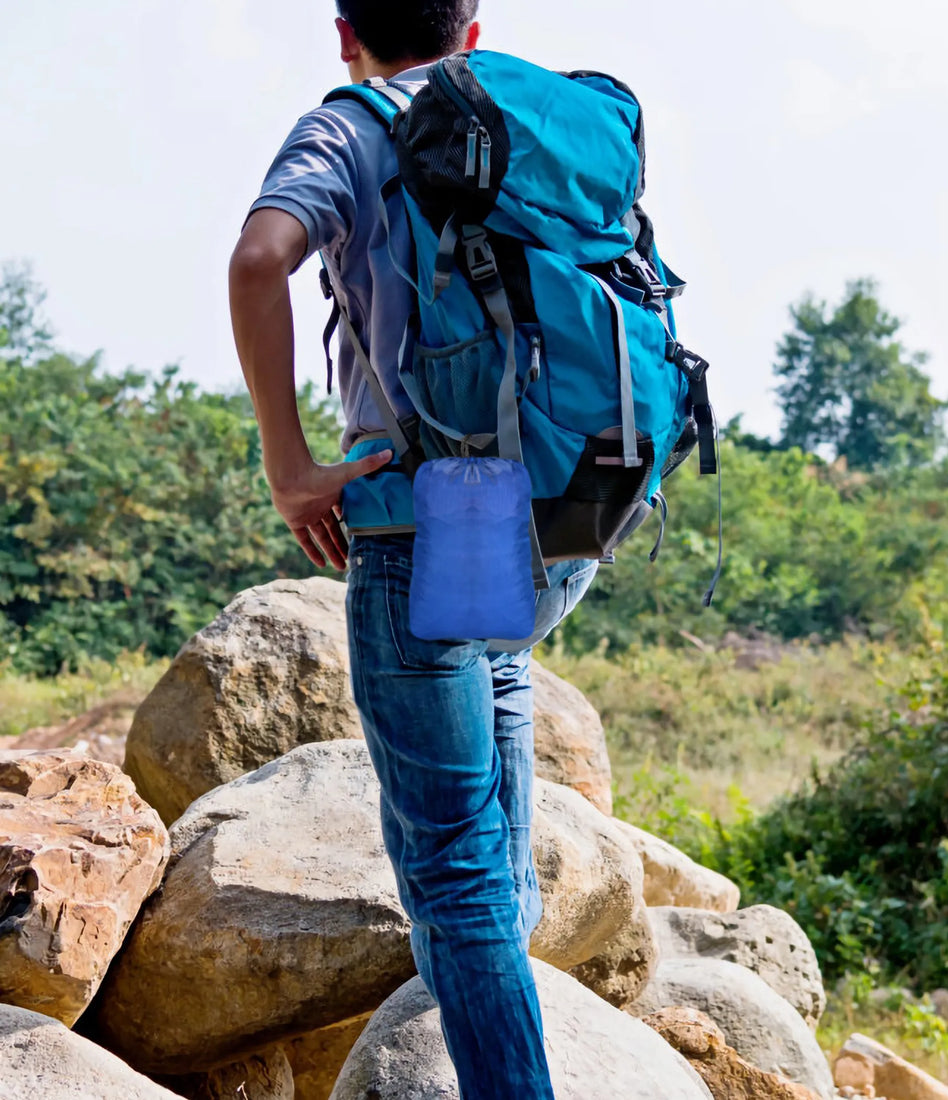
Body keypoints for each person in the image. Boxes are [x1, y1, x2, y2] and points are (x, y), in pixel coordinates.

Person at [227, 3, 597, 1097]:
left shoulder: (351, 124)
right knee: (492, 759)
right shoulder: (527, 115)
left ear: (344, 30)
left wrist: (288, 465)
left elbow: (258, 259)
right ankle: (492, 1006)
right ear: (471, 31)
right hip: (549, 508)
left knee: (451, 873)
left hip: (418, 519)